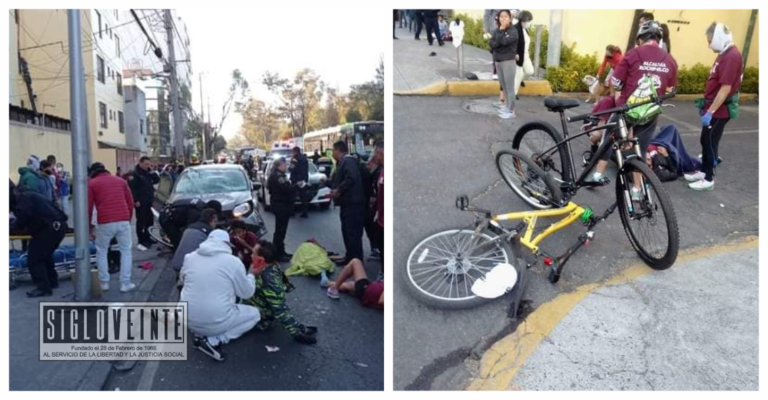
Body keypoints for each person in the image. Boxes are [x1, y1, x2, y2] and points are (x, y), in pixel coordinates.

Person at [586, 20, 677, 200]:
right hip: (650, 112)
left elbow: (616, 82)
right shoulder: (669, 59)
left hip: (628, 109)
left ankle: (597, 176)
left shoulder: (633, 54)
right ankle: (637, 189)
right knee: (640, 149)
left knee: (608, 139)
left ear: (640, 39)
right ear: (658, 39)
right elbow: (671, 90)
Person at [180, 230, 261, 362]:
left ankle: (199, 332)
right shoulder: (233, 262)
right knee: (255, 314)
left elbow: (184, 281)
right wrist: (251, 274)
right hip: (214, 321)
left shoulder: (189, 257)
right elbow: (247, 293)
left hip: (186, 318)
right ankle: (214, 340)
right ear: (226, 244)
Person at [685, 22, 742, 191]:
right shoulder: (724, 53)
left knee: (710, 142)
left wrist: (710, 112)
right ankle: (703, 171)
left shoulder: (732, 56)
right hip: (714, 107)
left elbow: (725, 88)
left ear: (718, 38)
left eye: (710, 41)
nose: (708, 44)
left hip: (720, 110)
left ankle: (709, 178)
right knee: (706, 140)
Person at [244, 240, 318, 344]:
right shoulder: (268, 266)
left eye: (253, 254)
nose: (251, 256)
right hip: (253, 303)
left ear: (261, 260)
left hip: (258, 315)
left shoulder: (268, 279)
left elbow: (279, 308)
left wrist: (295, 331)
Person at [87, 162, 136, 292]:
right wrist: (128, 218)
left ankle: (104, 283)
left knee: (101, 251)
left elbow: (89, 207)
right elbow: (130, 202)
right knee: (125, 251)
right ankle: (125, 283)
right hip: (123, 219)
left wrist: (89, 228)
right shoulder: (121, 181)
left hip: (105, 221)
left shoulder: (92, 184)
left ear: (92, 173)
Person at [10, 189, 68, 297]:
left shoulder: (23, 202)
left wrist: (12, 228)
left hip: (47, 229)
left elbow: (22, 220)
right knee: (45, 255)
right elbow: (61, 214)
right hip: (58, 226)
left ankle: (43, 288)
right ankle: (52, 281)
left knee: (34, 259)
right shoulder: (32, 195)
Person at [329, 141, 366, 265]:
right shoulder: (342, 162)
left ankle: (356, 262)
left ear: (338, 150)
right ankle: (350, 258)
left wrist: (339, 190)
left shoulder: (348, 161)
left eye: (333, 150)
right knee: (347, 232)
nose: (332, 153)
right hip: (347, 204)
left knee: (353, 234)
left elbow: (352, 177)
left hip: (353, 205)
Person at [170, 208, 219, 276]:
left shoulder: (190, 227)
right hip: (189, 269)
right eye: (216, 221)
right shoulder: (209, 232)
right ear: (213, 219)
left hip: (177, 263)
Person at [490, 10, 519, 120]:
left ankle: (511, 111)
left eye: (505, 16)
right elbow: (492, 44)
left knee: (509, 87)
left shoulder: (513, 31)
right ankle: (506, 107)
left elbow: (505, 42)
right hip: (498, 61)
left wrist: (500, 36)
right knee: (504, 86)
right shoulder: (496, 30)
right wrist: (499, 39)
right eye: (501, 16)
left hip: (508, 61)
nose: (503, 18)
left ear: (510, 18)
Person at [128, 156, 160, 251]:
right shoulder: (134, 174)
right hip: (141, 202)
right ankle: (142, 240)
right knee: (141, 221)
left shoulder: (147, 173)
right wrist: (135, 200)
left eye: (149, 164)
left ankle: (148, 237)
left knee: (149, 221)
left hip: (149, 201)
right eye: (146, 164)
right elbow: (132, 189)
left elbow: (156, 180)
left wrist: (152, 171)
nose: (147, 166)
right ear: (140, 163)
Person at [268, 158, 294, 261]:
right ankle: (277, 253)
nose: (286, 166)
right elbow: (286, 189)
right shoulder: (278, 176)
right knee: (280, 230)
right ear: (280, 165)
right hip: (281, 205)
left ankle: (281, 251)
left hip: (281, 204)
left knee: (281, 230)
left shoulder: (277, 175)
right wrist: (296, 186)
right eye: (285, 165)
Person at [513, 11, 534, 99]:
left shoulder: (525, 29)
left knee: (530, 71)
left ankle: (520, 80)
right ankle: (513, 93)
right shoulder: (515, 29)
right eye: (528, 21)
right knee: (518, 74)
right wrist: (515, 53)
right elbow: (512, 43)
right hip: (518, 56)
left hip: (525, 55)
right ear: (523, 21)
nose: (529, 23)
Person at [289, 146, 310, 218]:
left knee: (292, 196)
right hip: (303, 180)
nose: (292, 153)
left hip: (295, 180)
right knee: (303, 197)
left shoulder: (295, 159)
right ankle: (305, 212)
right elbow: (306, 169)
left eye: (292, 152)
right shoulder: (304, 158)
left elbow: (291, 168)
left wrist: (290, 168)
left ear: (295, 151)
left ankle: (292, 212)